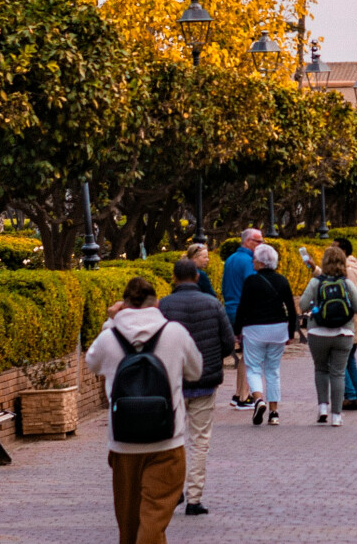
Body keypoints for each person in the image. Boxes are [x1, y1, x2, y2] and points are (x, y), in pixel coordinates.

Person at [88, 276, 202, 544]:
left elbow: (92, 364)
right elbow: (196, 371)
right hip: (167, 441)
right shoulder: (175, 332)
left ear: (124, 303)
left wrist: (112, 322)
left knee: (128, 526)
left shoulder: (109, 336)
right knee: (154, 519)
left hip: (123, 444)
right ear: (157, 303)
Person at [157, 258, 234, 517]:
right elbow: (228, 343)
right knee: (200, 441)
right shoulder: (212, 304)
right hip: (204, 381)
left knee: (173, 439)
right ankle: (194, 497)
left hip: (173, 383)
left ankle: (175, 489)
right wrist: (211, 361)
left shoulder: (164, 305)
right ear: (197, 277)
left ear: (174, 278)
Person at [231, 243, 296, 425]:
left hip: (254, 329)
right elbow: (291, 308)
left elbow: (242, 308)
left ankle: (258, 399)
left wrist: (237, 331)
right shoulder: (282, 280)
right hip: (278, 328)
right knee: (273, 370)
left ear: (260, 262)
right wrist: (290, 332)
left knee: (253, 367)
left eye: (254, 259)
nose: (252, 262)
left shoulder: (251, 281)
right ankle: (274, 413)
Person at [298, 249, 357, 425]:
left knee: (321, 369)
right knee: (338, 373)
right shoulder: (347, 284)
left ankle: (322, 408)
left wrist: (314, 306)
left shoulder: (316, 282)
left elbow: (302, 305)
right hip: (343, 333)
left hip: (318, 332)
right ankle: (336, 415)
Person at [220, 230, 261, 409]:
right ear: (248, 241)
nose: (261, 244)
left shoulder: (231, 259)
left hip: (231, 307)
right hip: (244, 310)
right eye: (258, 241)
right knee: (250, 355)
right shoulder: (249, 262)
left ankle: (239, 394)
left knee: (246, 353)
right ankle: (244, 396)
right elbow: (252, 287)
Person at [330, 235, 357, 411]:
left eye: (334, 247)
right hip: (352, 321)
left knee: (339, 359)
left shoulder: (349, 271)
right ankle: (355, 395)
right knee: (348, 359)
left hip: (350, 321)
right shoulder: (348, 267)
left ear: (343, 251)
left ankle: (351, 395)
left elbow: (349, 297)